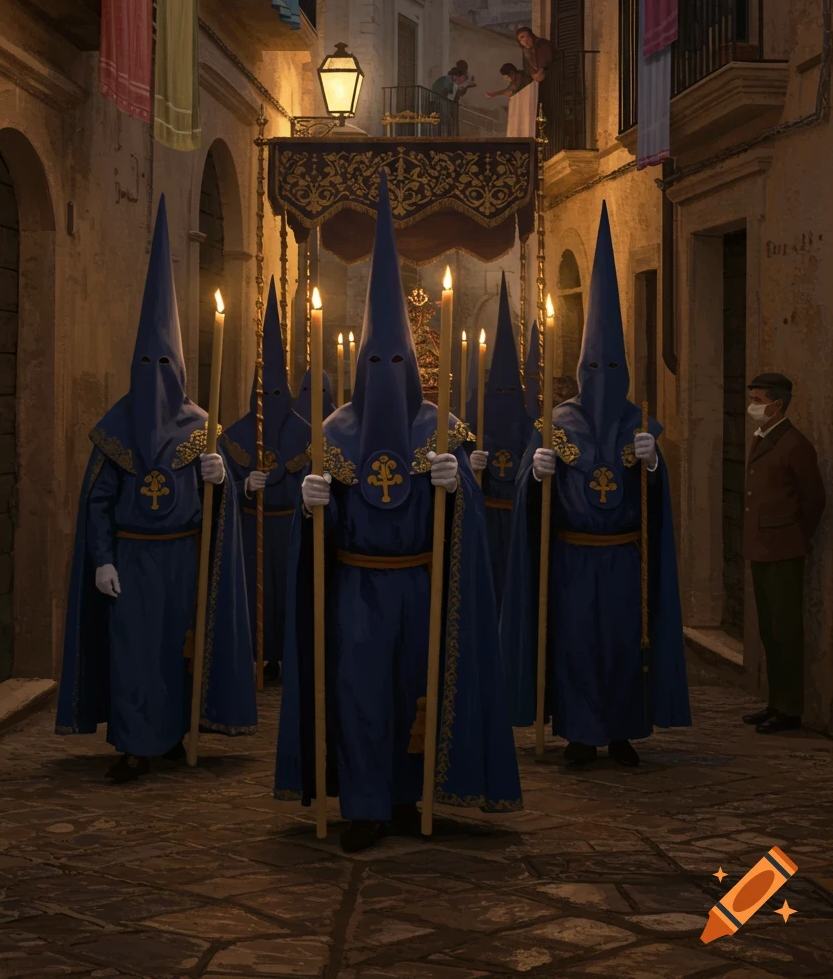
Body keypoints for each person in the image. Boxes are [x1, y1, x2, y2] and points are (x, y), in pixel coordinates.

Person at [275, 174, 522, 853]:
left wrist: (459, 487)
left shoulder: (442, 430)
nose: (385, 370)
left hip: (421, 583)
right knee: (358, 696)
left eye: (396, 359)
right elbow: (316, 537)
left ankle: (413, 796)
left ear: (412, 365)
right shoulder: (335, 431)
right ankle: (362, 804)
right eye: (374, 359)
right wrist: (311, 506)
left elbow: (466, 533)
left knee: (421, 691)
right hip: (356, 588)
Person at [55, 196, 256, 781]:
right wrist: (101, 560)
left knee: (177, 652)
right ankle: (133, 742)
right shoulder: (115, 430)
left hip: (185, 558)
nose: (154, 374)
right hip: (133, 558)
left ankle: (173, 733)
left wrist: (225, 480)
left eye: (163, 362)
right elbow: (96, 499)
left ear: (180, 367)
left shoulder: (202, 429)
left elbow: (223, 506)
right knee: (133, 652)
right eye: (145, 362)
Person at [501, 202, 691, 767]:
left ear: (625, 371)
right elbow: (529, 508)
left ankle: (623, 729)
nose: (603, 380)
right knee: (577, 646)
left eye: (613, 370)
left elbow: (657, 509)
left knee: (622, 646)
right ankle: (580, 731)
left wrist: (654, 466)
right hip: (573, 561)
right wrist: (534, 481)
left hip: (625, 561)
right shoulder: (555, 425)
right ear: (581, 370)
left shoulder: (641, 425)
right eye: (595, 370)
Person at [222, 280, 310, 685]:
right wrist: (242, 487)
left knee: (288, 593)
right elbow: (216, 492)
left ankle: (286, 656)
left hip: (290, 527)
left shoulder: (307, 434)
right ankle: (253, 655)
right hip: (250, 529)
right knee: (254, 593)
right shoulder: (235, 436)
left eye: (278, 391)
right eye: (265, 391)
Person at [741, 374, 825, 735]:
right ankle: (775, 702)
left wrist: (792, 534)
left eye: (758, 399)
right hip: (762, 547)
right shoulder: (764, 438)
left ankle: (790, 709)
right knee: (770, 630)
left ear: (777, 405)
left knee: (785, 630)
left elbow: (813, 500)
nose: (753, 406)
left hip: (783, 548)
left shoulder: (794, 444)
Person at [467, 275, 533, 613]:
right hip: (485, 519)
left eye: (512, 392)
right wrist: (469, 464)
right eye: (499, 392)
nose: (505, 399)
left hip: (518, 522)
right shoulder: (476, 429)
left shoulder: (529, 429)